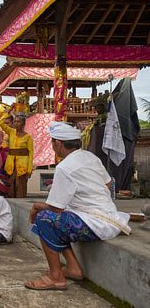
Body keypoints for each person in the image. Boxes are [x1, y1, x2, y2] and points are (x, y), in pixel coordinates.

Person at [25, 122, 131, 291]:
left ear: (58, 144)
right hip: (110, 218)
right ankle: (73, 268)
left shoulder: (64, 167)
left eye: (53, 143)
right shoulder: (90, 157)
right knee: (63, 219)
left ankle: (56, 277)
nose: (53, 147)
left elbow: (56, 208)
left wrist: (36, 207)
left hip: (95, 223)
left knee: (44, 219)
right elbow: (109, 183)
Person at [0, 113, 33, 198]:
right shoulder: (11, 132)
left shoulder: (28, 137)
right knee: (10, 188)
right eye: (15, 122)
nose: (16, 124)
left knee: (21, 187)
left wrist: (29, 170)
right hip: (10, 165)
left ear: (23, 124)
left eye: (18, 122)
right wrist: (8, 112)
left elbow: (31, 153)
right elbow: (1, 123)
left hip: (22, 167)